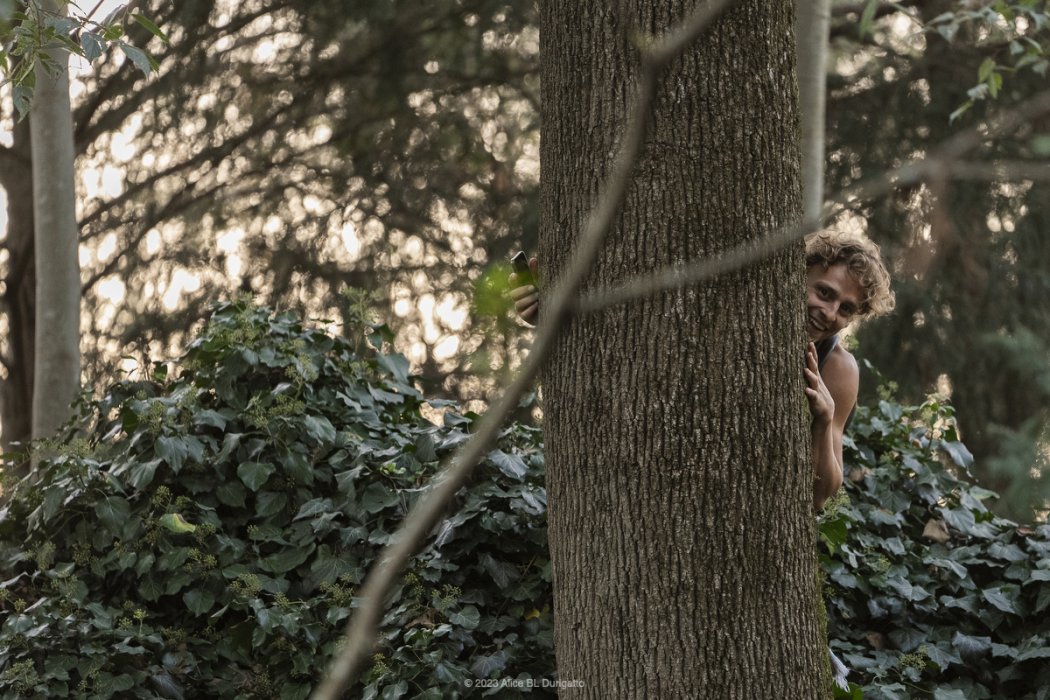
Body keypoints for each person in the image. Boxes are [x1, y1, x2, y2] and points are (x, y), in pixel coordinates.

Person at [509, 230, 895, 511]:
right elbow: (632, 336)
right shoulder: (739, 309)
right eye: (824, 292)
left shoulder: (837, 368)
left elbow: (820, 496)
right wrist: (550, 314)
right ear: (798, 275)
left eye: (846, 309)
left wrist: (824, 420)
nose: (829, 313)